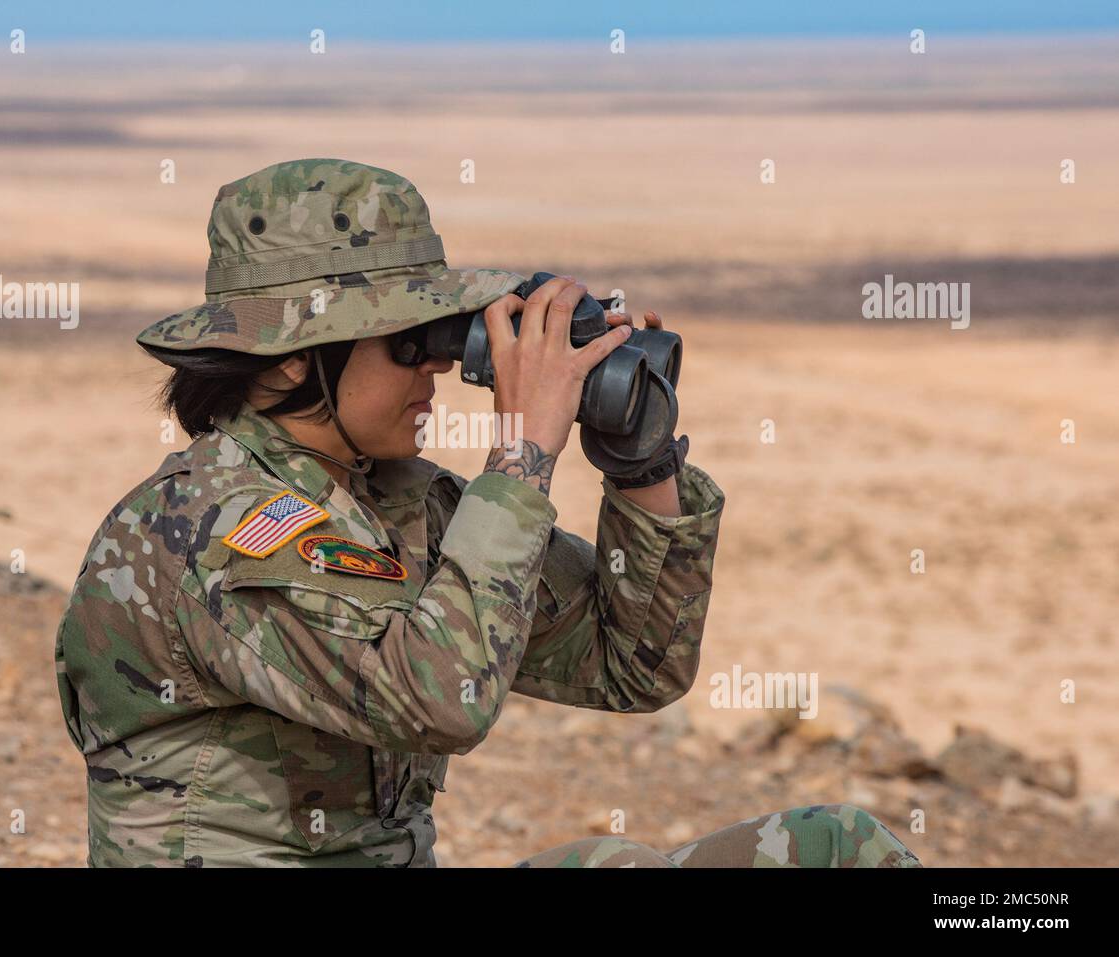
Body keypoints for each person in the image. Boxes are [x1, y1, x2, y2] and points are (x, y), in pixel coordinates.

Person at [54, 157, 921, 868]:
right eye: (407, 344)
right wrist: (522, 455)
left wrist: (640, 461)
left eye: (437, 342)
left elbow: (635, 662)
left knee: (830, 851)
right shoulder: (210, 527)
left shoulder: (396, 502)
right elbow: (440, 700)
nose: (433, 374)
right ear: (286, 365)